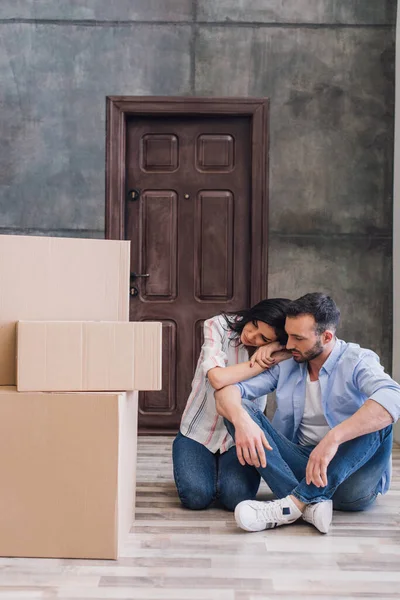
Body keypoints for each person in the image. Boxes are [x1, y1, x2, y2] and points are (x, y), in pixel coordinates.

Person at [215, 293, 400, 533]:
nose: (288, 344)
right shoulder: (289, 363)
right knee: (241, 409)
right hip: (302, 467)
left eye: (297, 338)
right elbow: (226, 391)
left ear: (326, 337)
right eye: (287, 335)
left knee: (382, 416)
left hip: (350, 481)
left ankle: (295, 502)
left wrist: (333, 439)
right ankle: (305, 505)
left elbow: (393, 396)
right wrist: (241, 420)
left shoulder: (356, 360)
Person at [173, 298, 292, 511]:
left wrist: (276, 346)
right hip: (198, 432)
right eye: (254, 324)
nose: (251, 335)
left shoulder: (283, 348)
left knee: (235, 498)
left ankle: (221, 472)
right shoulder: (217, 325)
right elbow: (217, 379)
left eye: (263, 338)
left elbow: (307, 344)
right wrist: (262, 362)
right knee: (196, 497)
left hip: (240, 436)